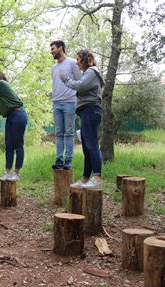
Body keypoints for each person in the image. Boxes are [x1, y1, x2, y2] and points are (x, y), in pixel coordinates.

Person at [60, 49, 104, 188]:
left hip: (91, 110)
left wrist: (66, 79)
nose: (77, 62)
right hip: (86, 111)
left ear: (86, 59)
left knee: (92, 145)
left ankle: (96, 177)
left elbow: (80, 86)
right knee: (86, 147)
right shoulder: (88, 73)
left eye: (78, 59)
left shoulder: (92, 71)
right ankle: (85, 179)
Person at [0, 70, 27, 182]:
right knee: (9, 145)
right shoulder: (1, 97)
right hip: (11, 117)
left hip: (18, 114)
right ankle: (7, 172)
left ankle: (16, 173)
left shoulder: (1, 84)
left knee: (18, 145)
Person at [50, 40, 82, 170]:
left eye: (53, 49)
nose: (51, 51)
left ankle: (68, 161)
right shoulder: (53, 68)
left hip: (70, 102)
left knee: (68, 132)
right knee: (58, 133)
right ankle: (59, 160)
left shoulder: (72, 63)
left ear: (61, 48)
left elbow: (80, 81)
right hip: (56, 103)